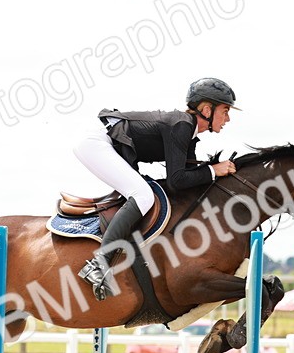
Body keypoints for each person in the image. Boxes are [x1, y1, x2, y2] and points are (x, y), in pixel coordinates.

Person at [73, 77, 240, 301]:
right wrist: (213, 170)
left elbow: (186, 185)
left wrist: (216, 174)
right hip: (96, 142)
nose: (228, 118)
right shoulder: (181, 125)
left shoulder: (189, 135)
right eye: (225, 111)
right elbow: (177, 180)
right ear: (207, 109)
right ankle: (98, 264)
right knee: (142, 195)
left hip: (108, 142)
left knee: (144, 192)